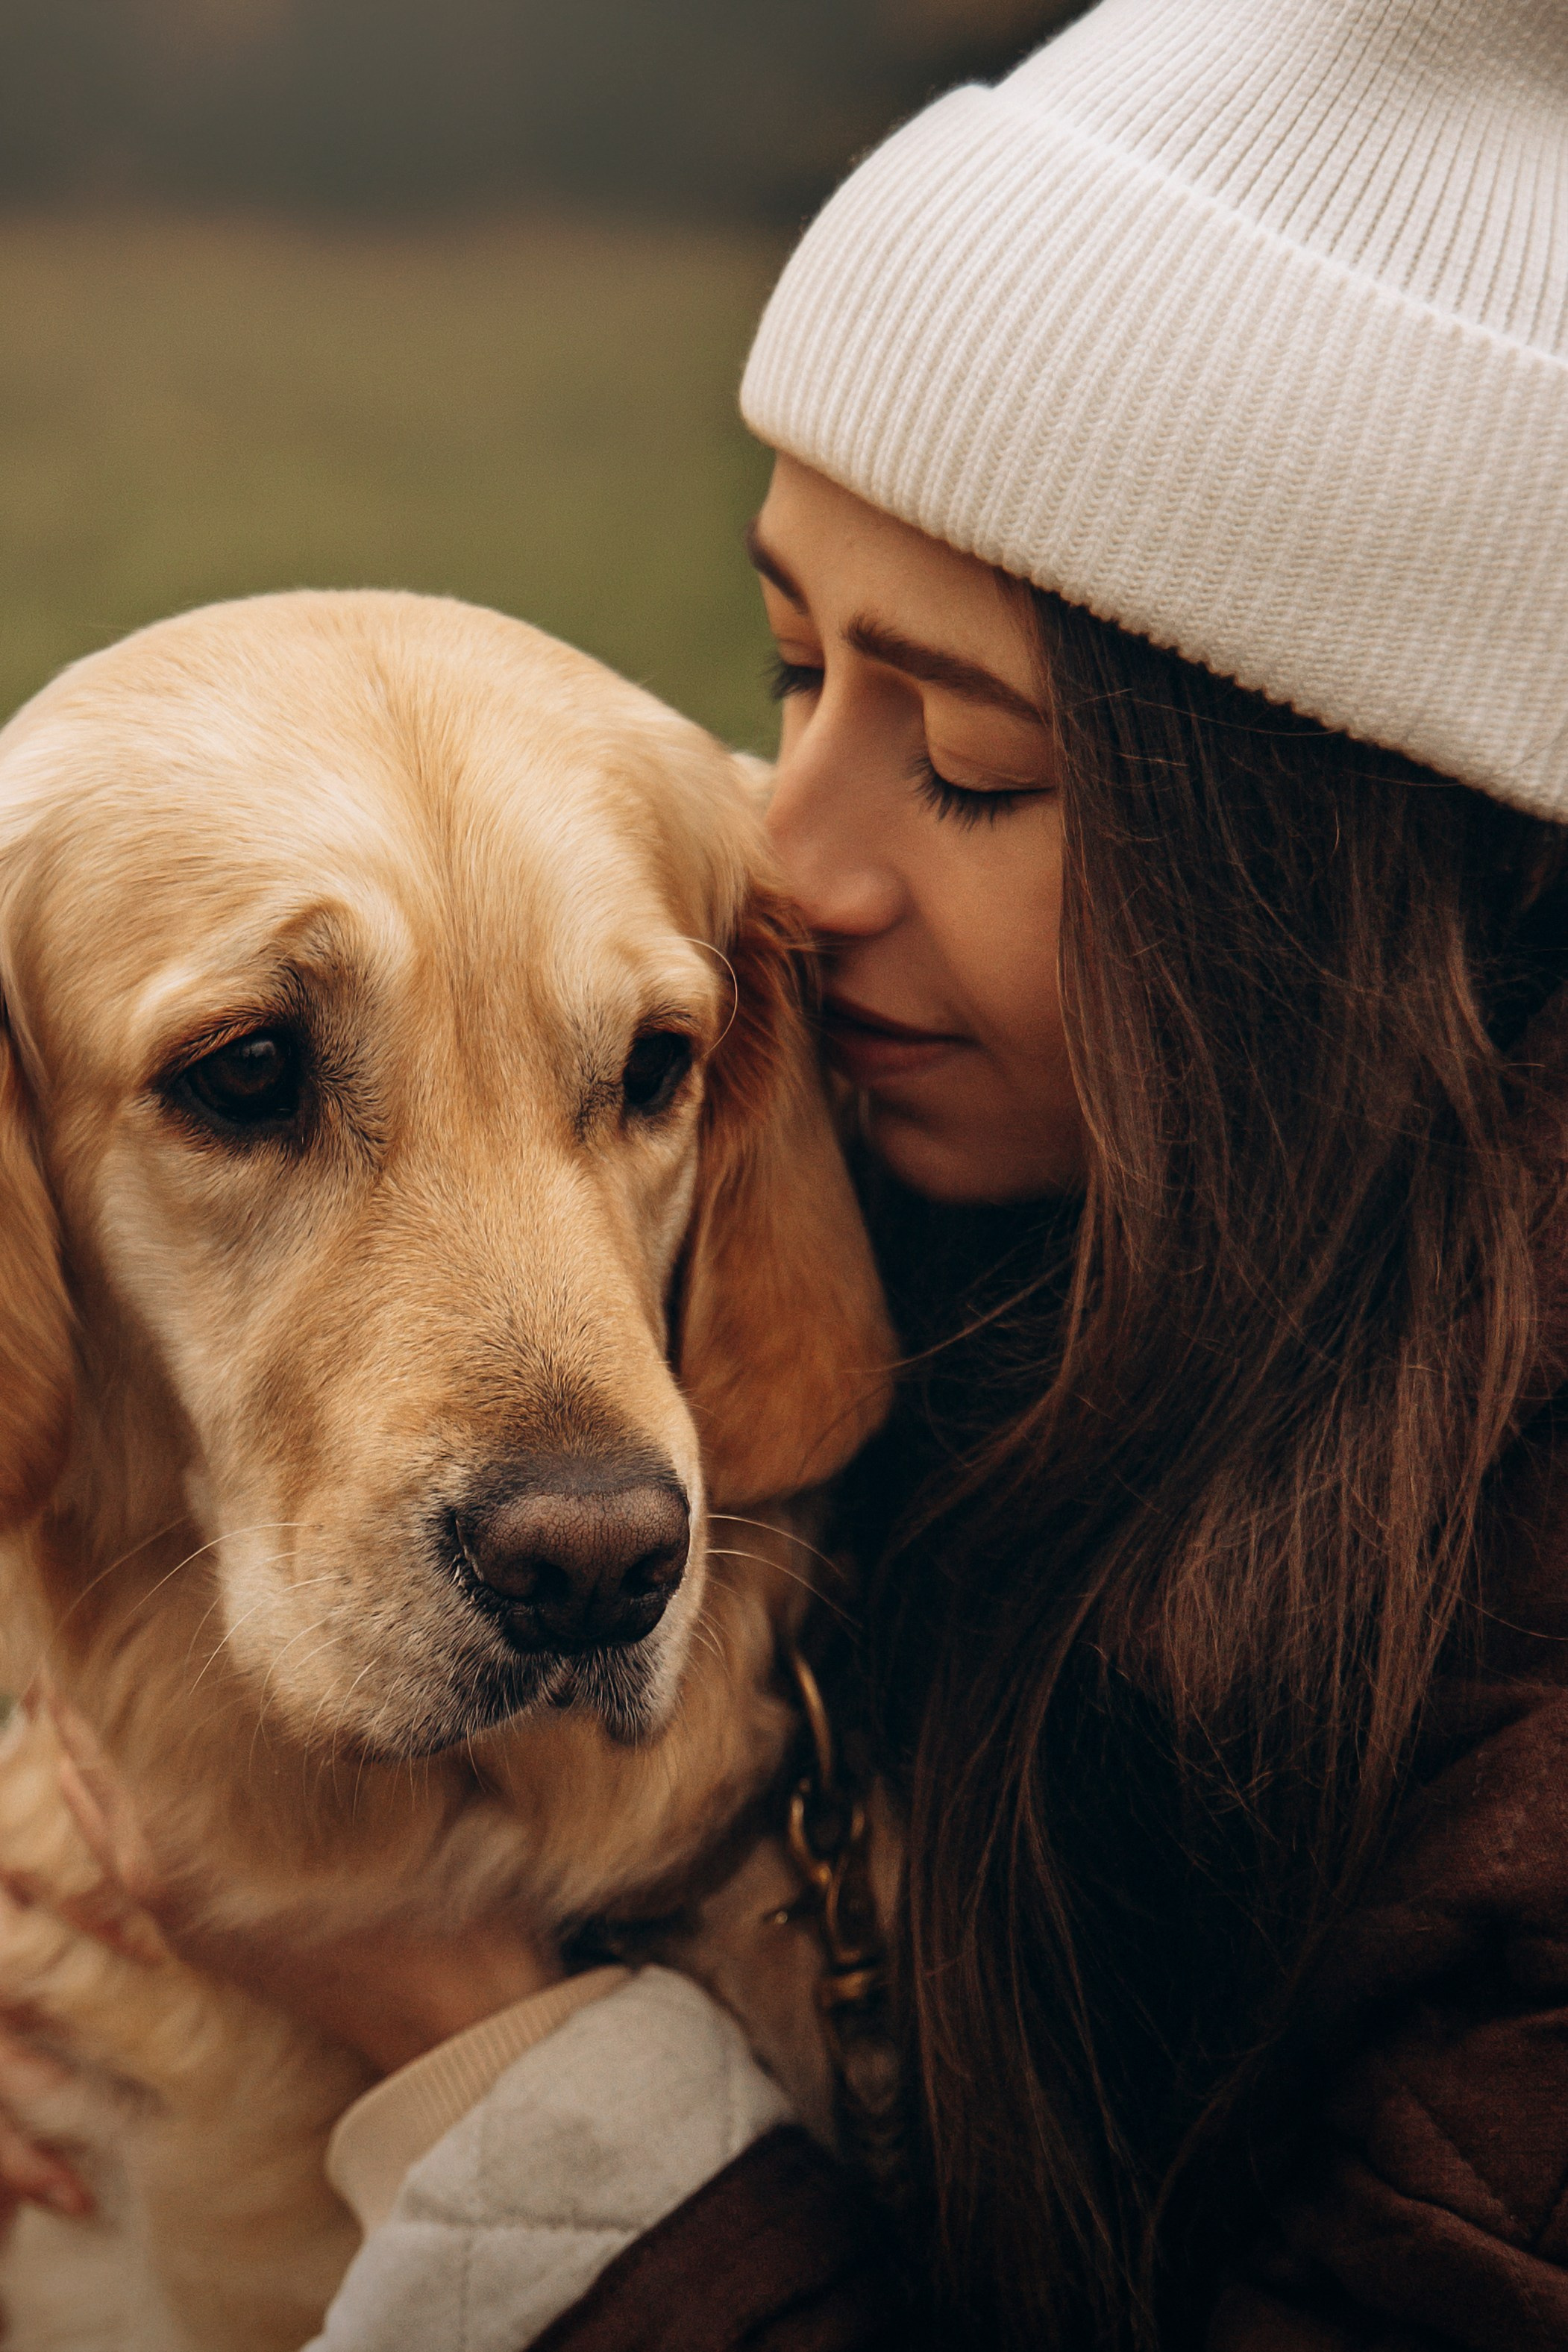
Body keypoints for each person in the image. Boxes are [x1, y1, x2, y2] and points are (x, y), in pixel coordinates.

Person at [11, 0, 1568, 2343]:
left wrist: (471, 2037)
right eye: (785, 661)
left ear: (1334, 889)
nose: (782, 860)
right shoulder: (956, 1122)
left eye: (964, 758)